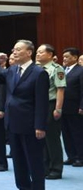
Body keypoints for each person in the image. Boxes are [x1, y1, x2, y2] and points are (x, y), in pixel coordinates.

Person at [0, 40, 49, 190]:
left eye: (18, 49)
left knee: (34, 159)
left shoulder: (38, 72)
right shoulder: (12, 70)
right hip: (13, 120)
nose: (14, 52)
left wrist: (40, 125)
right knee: (18, 158)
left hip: (30, 122)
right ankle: (23, 189)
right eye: (13, 49)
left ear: (29, 52)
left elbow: (42, 102)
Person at [36, 44, 66, 180]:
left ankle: (56, 168)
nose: (38, 54)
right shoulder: (36, 69)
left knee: (52, 138)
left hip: (51, 104)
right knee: (40, 137)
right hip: (38, 105)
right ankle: (45, 166)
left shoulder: (56, 68)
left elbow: (60, 89)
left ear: (50, 54)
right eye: (37, 52)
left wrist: (58, 108)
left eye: (41, 52)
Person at [60, 48, 83, 167]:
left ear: (74, 57)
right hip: (63, 107)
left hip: (75, 107)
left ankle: (80, 157)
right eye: (63, 57)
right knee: (66, 133)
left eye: (67, 57)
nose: (64, 59)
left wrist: (82, 106)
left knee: (77, 133)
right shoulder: (62, 70)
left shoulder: (81, 70)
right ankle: (71, 156)